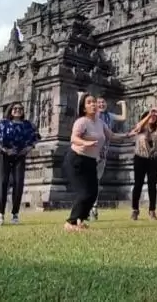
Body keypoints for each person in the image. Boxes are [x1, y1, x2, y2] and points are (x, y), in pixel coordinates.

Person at [65, 94, 119, 232]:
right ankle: (70, 222)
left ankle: (80, 220)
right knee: (84, 192)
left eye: (94, 102)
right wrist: (86, 143)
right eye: (89, 102)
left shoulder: (100, 122)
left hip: (90, 160)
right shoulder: (81, 122)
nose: (93, 105)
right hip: (77, 159)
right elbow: (74, 138)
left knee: (93, 192)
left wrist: (130, 134)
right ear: (84, 107)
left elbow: (111, 135)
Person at [0, 102, 40, 226]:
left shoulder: (27, 125)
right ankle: (1, 214)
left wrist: (26, 149)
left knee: (19, 183)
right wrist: (5, 150)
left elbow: (36, 138)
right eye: (15, 108)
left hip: (20, 155)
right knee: (4, 182)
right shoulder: (3, 123)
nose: (18, 110)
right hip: (5, 155)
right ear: (10, 110)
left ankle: (15, 214)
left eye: (20, 109)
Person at [125, 108, 157, 220]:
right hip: (140, 158)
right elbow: (138, 127)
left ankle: (152, 210)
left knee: (152, 185)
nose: (153, 117)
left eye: (154, 116)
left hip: (153, 159)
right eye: (150, 116)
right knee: (138, 184)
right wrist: (148, 115)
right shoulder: (141, 128)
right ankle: (135, 210)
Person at [90, 97, 127, 221]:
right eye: (99, 102)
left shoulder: (108, 116)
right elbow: (79, 114)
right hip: (91, 151)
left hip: (104, 152)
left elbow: (122, 118)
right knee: (90, 181)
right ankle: (89, 207)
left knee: (96, 181)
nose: (101, 104)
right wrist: (80, 97)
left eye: (103, 102)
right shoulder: (92, 115)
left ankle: (93, 207)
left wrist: (123, 104)